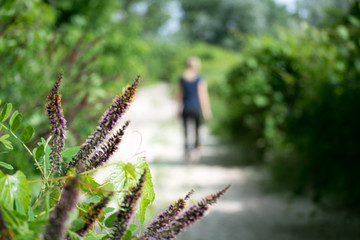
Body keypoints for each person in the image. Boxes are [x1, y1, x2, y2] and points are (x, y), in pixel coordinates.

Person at [176, 56, 212, 163]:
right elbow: (203, 96)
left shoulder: (182, 79)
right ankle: (197, 152)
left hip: (186, 108)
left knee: (186, 133)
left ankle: (187, 154)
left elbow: (179, 96)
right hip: (196, 109)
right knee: (198, 133)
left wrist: (177, 111)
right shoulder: (199, 78)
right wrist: (206, 110)